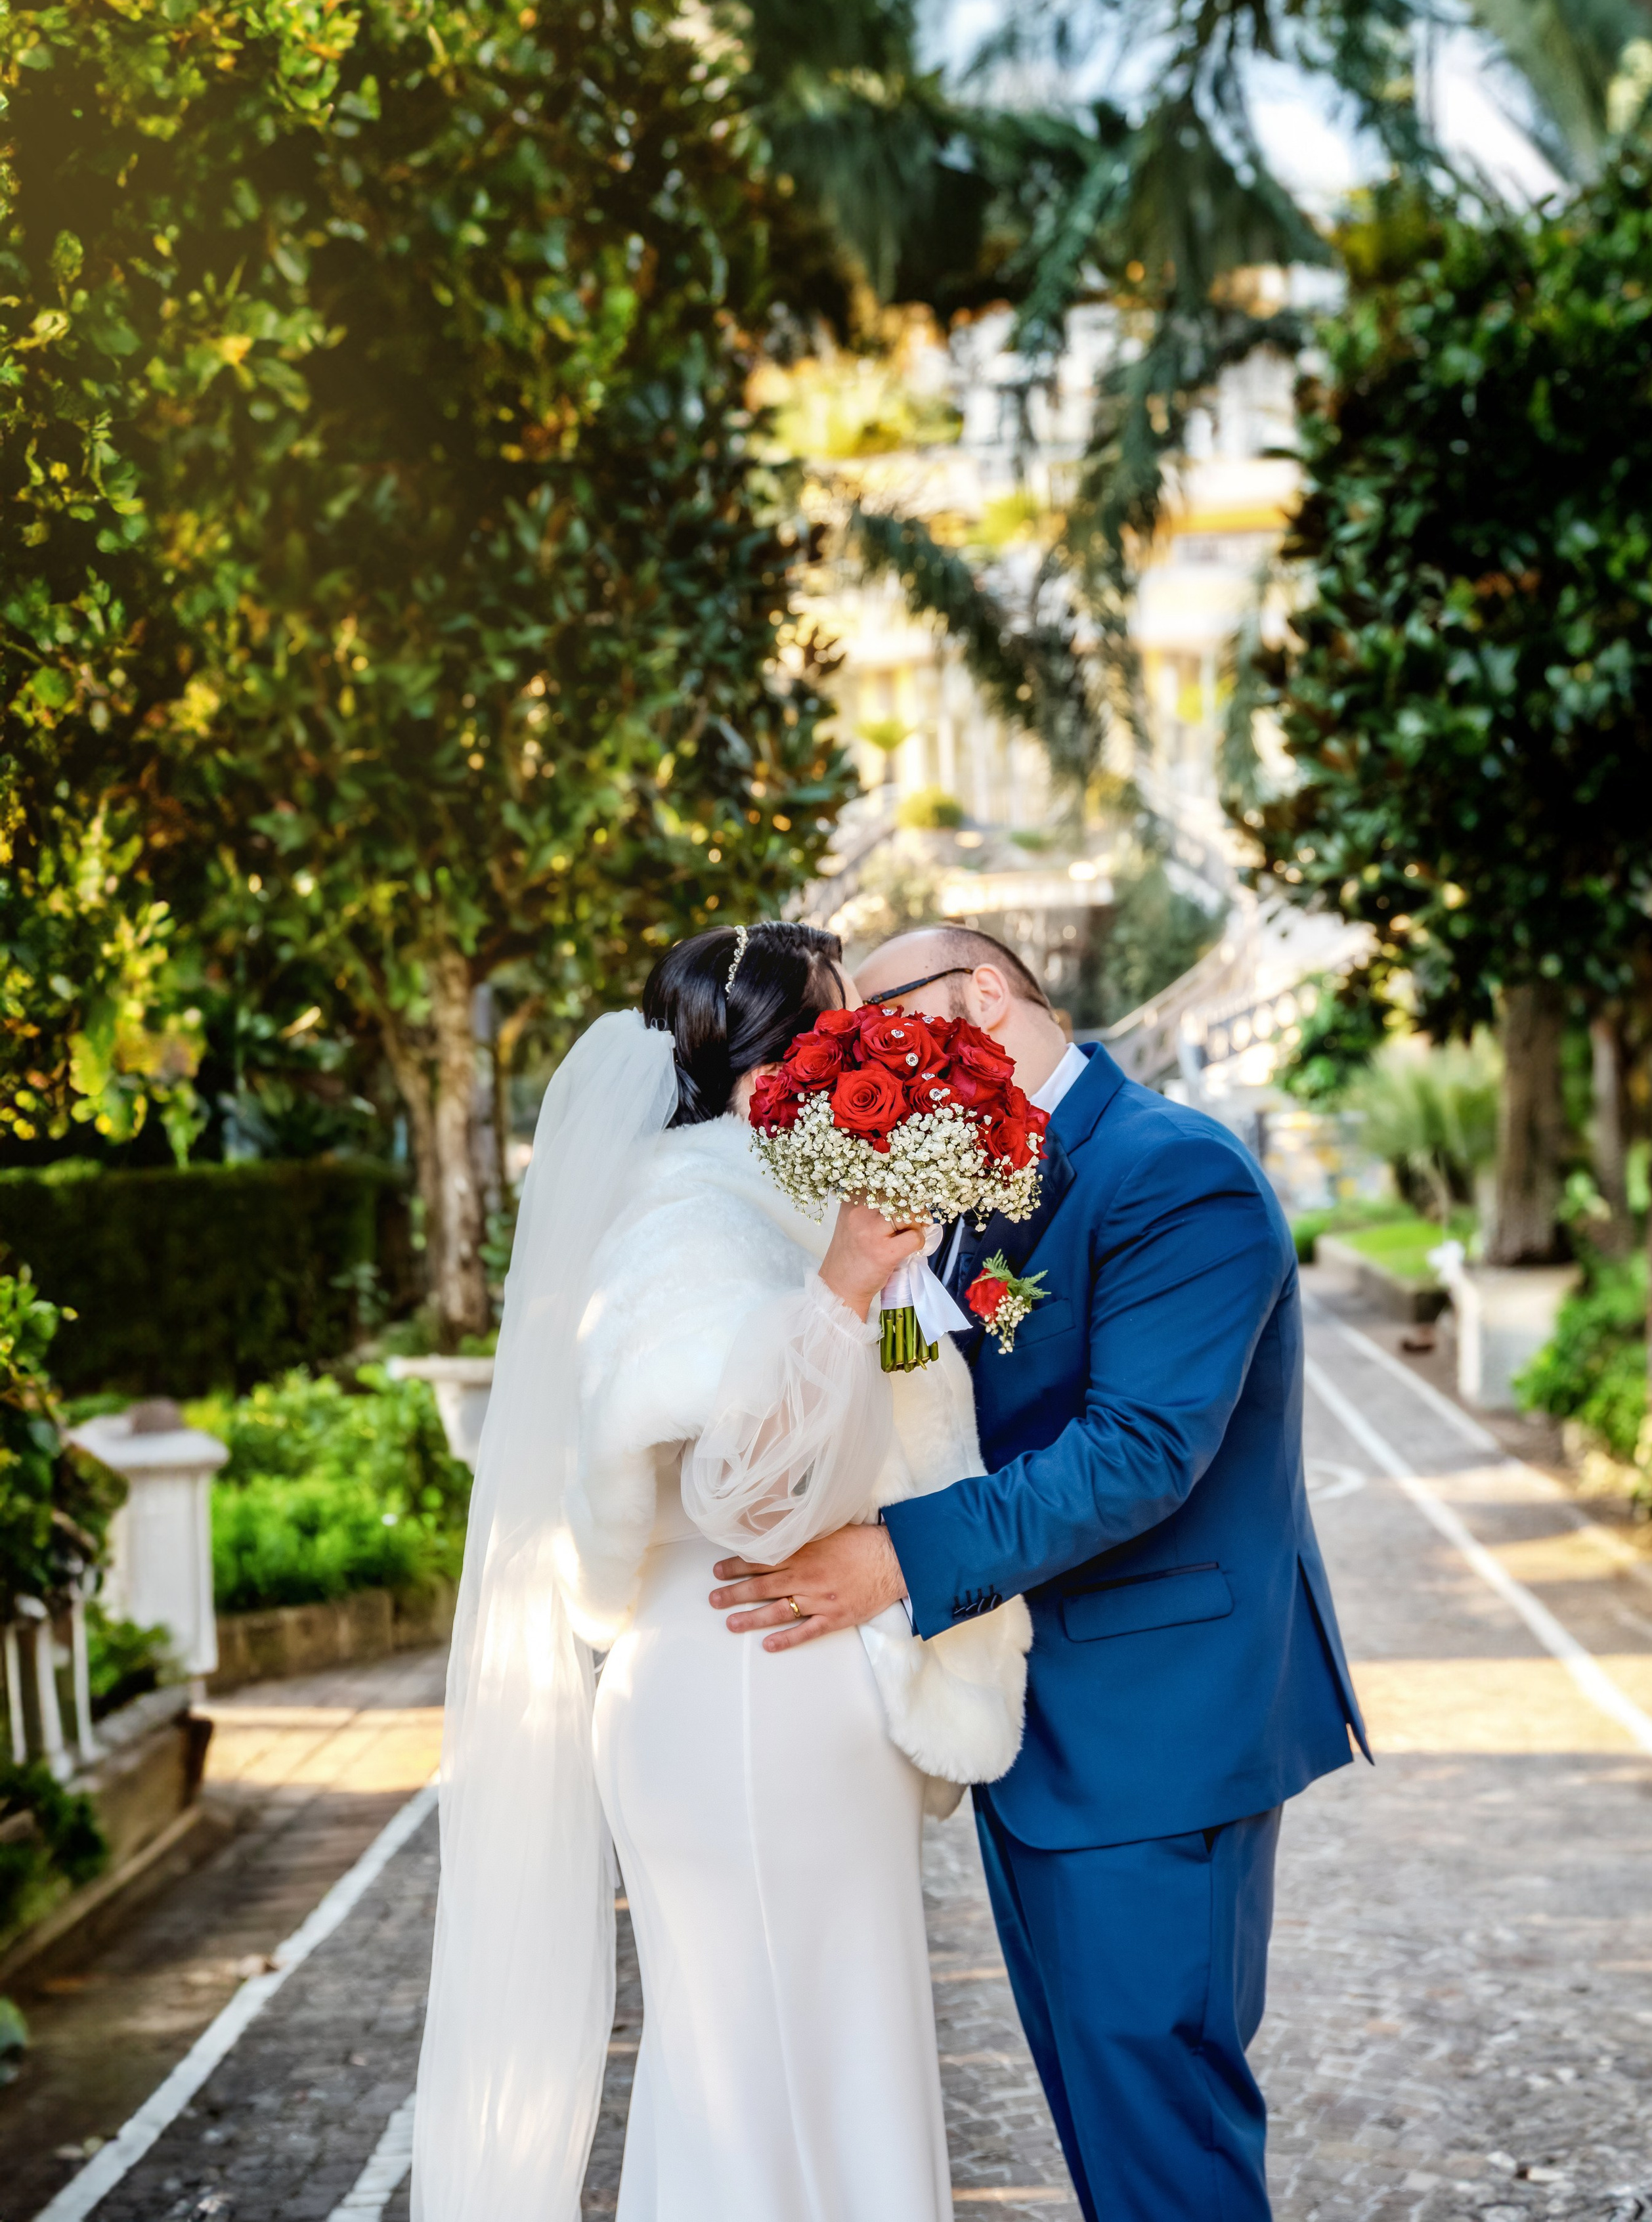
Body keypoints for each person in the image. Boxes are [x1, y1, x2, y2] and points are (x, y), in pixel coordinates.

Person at [711, 923, 1370, 2222]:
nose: (862, 1053)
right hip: (1047, 1738)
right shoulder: (982, 1184)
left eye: (878, 1022)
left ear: (986, 994)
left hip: (1156, 1733)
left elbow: (1136, 1453)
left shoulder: (1175, 1175)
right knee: (1106, 2131)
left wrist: (893, 1558)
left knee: (1162, 2138)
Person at [409, 920, 1030, 2222]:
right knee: (761, 2087)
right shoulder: (688, 1208)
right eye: (845, 1023)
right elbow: (742, 1493)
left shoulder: (788, 1196)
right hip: (742, 1684)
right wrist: (845, 1290)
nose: (876, 1046)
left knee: (823, 2059)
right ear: (782, 1063)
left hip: (798, 1686)